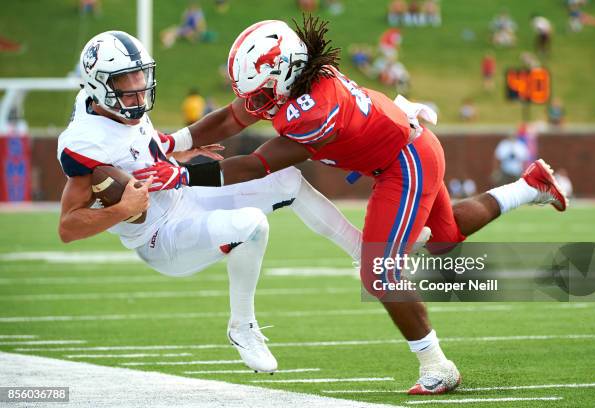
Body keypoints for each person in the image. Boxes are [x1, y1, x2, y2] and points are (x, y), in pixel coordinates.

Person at [135, 17, 568, 395]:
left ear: (286, 73)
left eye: (265, 90)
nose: (257, 102)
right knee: (445, 236)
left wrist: (182, 174)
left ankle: (437, 366)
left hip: (405, 161)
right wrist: (176, 142)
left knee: (378, 272)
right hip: (406, 149)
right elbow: (231, 117)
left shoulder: (315, 111)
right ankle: (530, 186)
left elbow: (256, 164)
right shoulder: (297, 83)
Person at [57, 30, 365, 375]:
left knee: (287, 180)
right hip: (161, 236)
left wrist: (169, 147)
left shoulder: (114, 106)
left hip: (185, 195)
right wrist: (121, 210)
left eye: (139, 74)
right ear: (98, 85)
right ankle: (243, 326)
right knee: (251, 225)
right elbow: (68, 227)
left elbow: (136, 143)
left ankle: (362, 250)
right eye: (125, 80)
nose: (137, 86)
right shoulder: (83, 143)